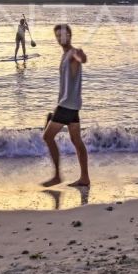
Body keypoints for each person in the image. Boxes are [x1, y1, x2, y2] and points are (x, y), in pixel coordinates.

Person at [42, 24, 90, 187]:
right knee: (76, 140)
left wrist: (81, 56)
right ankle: (85, 178)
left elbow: (81, 59)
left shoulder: (72, 54)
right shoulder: (64, 56)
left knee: (47, 137)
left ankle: (57, 176)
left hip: (67, 105)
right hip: (71, 105)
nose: (60, 38)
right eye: (57, 36)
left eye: (63, 35)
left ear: (69, 35)